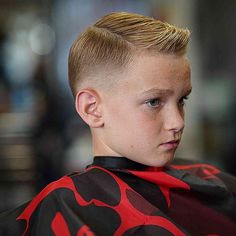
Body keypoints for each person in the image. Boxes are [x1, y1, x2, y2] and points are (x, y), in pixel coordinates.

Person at [1, 12, 236, 236]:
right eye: (154, 102)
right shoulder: (63, 210)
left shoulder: (216, 185)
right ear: (92, 109)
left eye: (182, 100)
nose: (178, 122)